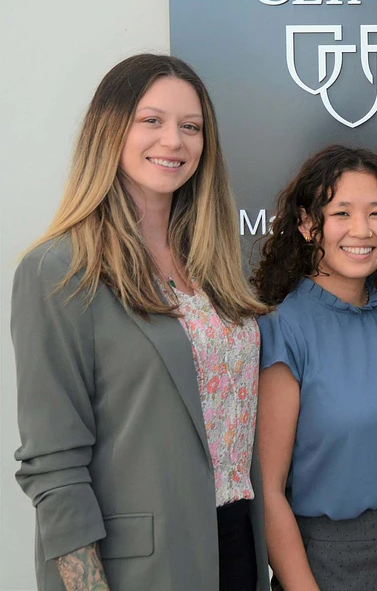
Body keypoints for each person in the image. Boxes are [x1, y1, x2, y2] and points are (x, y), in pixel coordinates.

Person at [10, 54, 270, 591]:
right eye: (151, 121)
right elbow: (53, 466)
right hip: (144, 569)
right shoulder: (59, 270)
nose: (173, 140)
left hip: (238, 543)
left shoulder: (213, 268)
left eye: (191, 127)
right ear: (109, 129)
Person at [252, 145, 377, 591]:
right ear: (306, 224)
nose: (361, 230)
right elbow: (269, 491)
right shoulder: (282, 330)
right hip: (330, 560)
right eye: (340, 213)